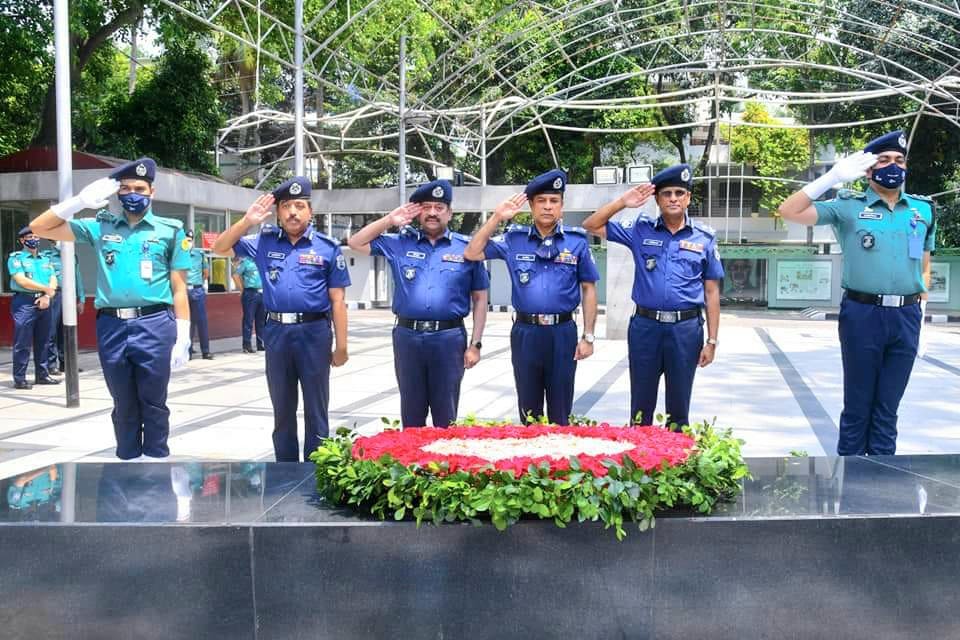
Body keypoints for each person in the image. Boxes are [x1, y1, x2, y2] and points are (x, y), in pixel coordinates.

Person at [777, 130, 936, 455]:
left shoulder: (922, 211)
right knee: (858, 407)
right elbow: (789, 211)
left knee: (887, 410)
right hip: (863, 314)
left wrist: (922, 317)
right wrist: (832, 177)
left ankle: (881, 492)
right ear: (868, 169)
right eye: (884, 160)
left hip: (906, 317)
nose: (893, 166)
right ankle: (851, 494)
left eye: (899, 160)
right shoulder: (848, 206)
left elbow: (924, 266)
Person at [30, 157, 192, 460]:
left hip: (155, 323)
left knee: (154, 400)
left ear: (152, 192)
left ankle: (157, 461)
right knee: (123, 400)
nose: (133, 194)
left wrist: (183, 334)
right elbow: (40, 227)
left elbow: (179, 287)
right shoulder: (100, 226)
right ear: (117, 193)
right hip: (112, 326)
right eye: (126, 188)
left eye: (140, 188)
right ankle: (128, 462)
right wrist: (77, 202)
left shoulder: (170, 230)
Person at [212, 177, 350, 462]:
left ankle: (317, 470)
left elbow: (338, 300)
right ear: (278, 212)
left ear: (310, 211)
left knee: (316, 406)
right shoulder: (263, 241)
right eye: (286, 206)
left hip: (314, 331)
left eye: (300, 206)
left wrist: (342, 346)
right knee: (282, 406)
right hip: (276, 331)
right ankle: (284, 472)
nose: (293, 213)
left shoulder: (327, 247)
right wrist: (247, 221)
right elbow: (220, 248)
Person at [583, 163, 723, 429]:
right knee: (640, 407)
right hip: (645, 328)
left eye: (679, 193)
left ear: (688, 198)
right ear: (657, 199)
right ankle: (640, 464)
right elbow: (591, 224)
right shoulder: (640, 229)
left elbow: (712, 291)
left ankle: (677, 466)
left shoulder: (704, 237)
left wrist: (712, 340)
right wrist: (624, 201)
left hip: (686, 329)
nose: (673, 198)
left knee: (679, 409)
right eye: (667, 193)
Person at [347, 179, 489, 428]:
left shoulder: (466, 248)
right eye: (426, 207)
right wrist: (389, 220)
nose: (432, 213)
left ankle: (443, 466)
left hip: (449, 337)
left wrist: (475, 343)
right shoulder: (399, 243)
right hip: (408, 337)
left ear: (450, 212)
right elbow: (355, 242)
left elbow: (480, 298)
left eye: (439, 207)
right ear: (417, 212)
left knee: (446, 416)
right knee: (411, 413)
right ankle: (412, 466)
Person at [464, 169, 599, 425]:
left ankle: (559, 461)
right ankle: (531, 462)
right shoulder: (513, 239)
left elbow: (589, 289)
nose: (548, 207)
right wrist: (496, 217)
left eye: (554, 201)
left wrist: (588, 336)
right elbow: (472, 253)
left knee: (561, 409)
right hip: (526, 332)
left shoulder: (577, 241)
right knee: (529, 407)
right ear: (531, 205)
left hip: (563, 333)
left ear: (561, 205)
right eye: (541, 201)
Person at [7, 227, 59, 389]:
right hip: (25, 303)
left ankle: (42, 375)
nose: (34, 239)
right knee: (22, 342)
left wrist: (47, 295)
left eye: (36, 236)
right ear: (22, 240)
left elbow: (53, 279)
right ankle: (20, 378)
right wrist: (46, 290)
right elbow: (22, 281)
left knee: (44, 340)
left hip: (45, 302)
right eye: (30, 237)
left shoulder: (45, 259)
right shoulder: (16, 258)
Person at [39, 241, 86, 374]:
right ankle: (51, 364)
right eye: (56, 240)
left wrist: (81, 298)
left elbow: (77, 277)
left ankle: (67, 364)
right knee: (52, 331)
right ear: (52, 243)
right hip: (55, 295)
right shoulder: (46, 256)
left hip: (69, 295)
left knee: (67, 330)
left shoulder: (72, 256)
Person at [184, 230, 213, 360]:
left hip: (197, 290)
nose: (188, 242)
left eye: (190, 240)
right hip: (183, 291)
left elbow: (206, 272)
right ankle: (187, 351)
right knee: (186, 322)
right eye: (186, 240)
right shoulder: (178, 254)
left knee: (201, 321)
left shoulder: (199, 254)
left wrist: (201, 284)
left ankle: (205, 351)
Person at [232, 255, 265, 353]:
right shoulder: (246, 262)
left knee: (261, 320)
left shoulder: (263, 260)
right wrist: (241, 289)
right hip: (250, 293)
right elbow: (236, 275)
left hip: (263, 293)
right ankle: (247, 345)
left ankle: (261, 344)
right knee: (248, 320)